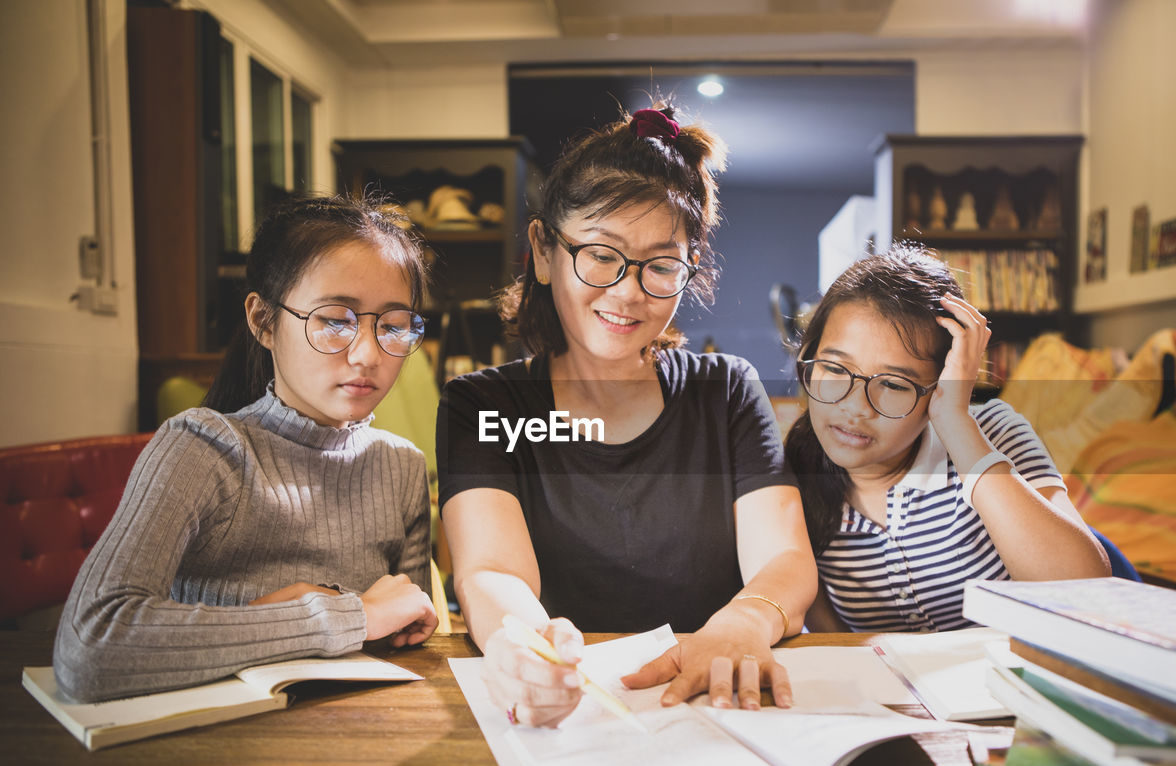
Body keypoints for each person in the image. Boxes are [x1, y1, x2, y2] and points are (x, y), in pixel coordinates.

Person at [437, 102, 817, 727]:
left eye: (661, 266)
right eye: (600, 255)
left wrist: (744, 623)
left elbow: (785, 560)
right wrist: (530, 649)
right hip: (579, 712)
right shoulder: (485, 406)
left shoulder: (724, 393)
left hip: (715, 700)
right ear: (542, 249)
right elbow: (494, 572)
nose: (627, 291)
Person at [54, 195, 439, 702]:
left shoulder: (401, 466)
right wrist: (345, 616)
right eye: (335, 320)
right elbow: (91, 645)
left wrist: (397, 622)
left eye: (391, 326)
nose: (368, 354)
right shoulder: (204, 447)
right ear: (263, 320)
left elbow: (403, 640)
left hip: (353, 743)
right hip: (207, 748)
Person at [784, 244, 1110, 633]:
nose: (856, 407)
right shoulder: (792, 474)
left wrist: (955, 423)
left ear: (940, 386)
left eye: (893, 383)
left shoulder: (992, 431)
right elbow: (832, 643)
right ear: (808, 359)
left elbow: (1084, 590)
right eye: (835, 368)